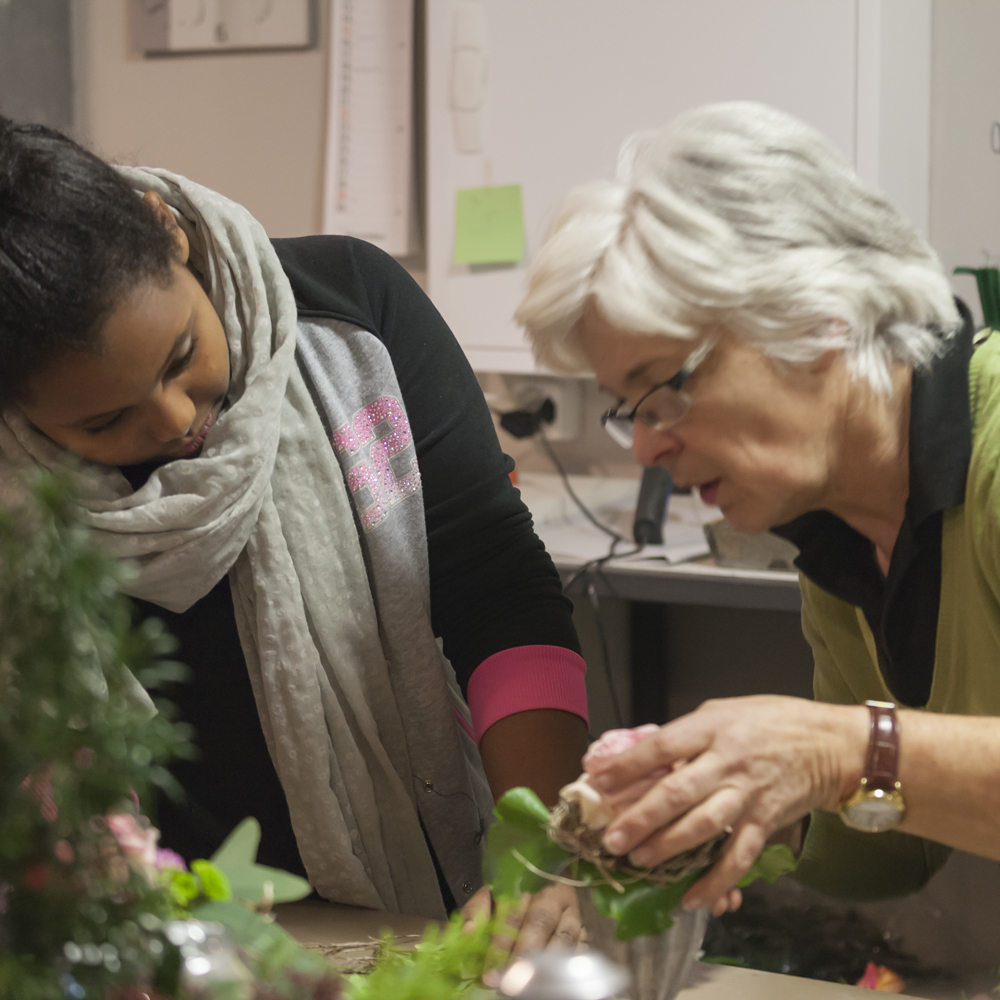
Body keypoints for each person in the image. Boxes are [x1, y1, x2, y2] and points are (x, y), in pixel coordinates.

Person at [0, 118, 587, 945]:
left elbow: (497, 590)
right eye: (105, 421)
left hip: (407, 897)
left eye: (180, 357)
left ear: (169, 233)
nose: (176, 420)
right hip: (152, 934)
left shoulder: (353, 317)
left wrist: (540, 855)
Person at [515, 101, 1000, 916]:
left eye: (665, 387)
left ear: (817, 317)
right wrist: (692, 820)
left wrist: (838, 750)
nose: (646, 449)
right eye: (629, 407)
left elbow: (863, 768)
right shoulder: (840, 529)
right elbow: (891, 849)